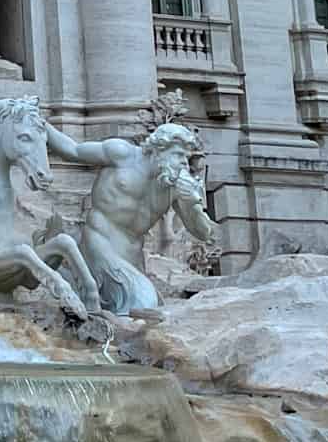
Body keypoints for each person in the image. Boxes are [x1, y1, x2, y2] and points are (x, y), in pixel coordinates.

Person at [43, 119, 220, 311]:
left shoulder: (174, 185)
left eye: (186, 157)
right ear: (159, 149)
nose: (184, 163)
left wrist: (194, 204)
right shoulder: (122, 154)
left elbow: (201, 233)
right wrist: (41, 124)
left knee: (144, 309)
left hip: (132, 257)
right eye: (178, 155)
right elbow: (73, 151)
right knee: (142, 303)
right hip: (99, 242)